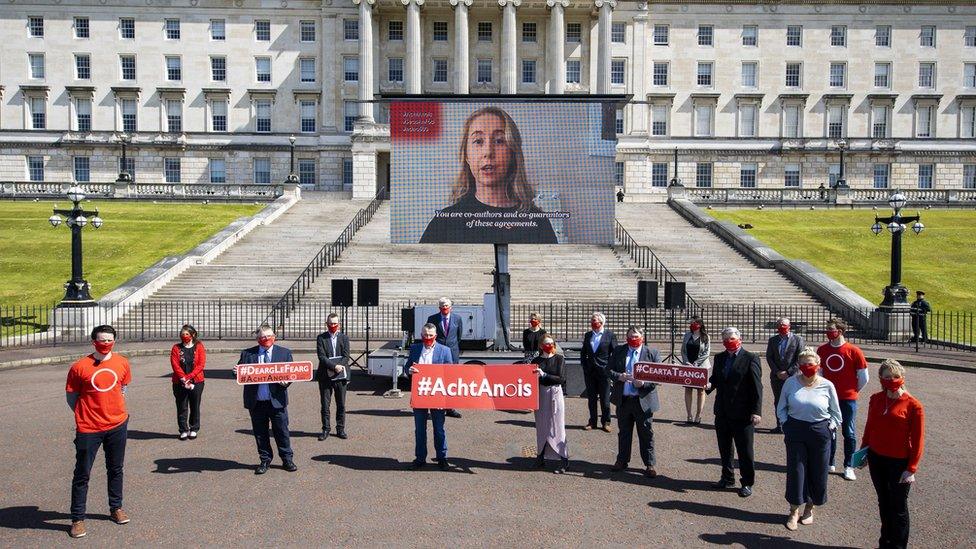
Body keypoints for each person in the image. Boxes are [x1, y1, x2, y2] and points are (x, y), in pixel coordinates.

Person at [419, 106, 558, 244]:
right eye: (478, 141)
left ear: (513, 153)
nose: (488, 152)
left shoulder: (538, 222)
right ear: (466, 156)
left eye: (499, 141)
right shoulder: (444, 223)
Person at [66, 325, 132, 538]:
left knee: (116, 468)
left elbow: (122, 388)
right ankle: (77, 519)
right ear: (93, 341)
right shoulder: (80, 367)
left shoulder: (122, 362)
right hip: (89, 427)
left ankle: (116, 508)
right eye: (101, 340)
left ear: (115, 340)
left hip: (117, 424)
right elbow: (72, 398)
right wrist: (88, 414)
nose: (105, 343)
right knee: (82, 473)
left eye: (109, 339)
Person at [860, 359, 925, 549]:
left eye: (896, 376)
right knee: (883, 502)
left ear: (902, 378)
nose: (892, 380)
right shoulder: (876, 398)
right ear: (881, 378)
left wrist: (911, 468)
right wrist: (864, 450)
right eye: (887, 377)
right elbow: (870, 427)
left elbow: (918, 439)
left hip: (899, 462)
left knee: (898, 508)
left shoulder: (914, 405)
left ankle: (898, 546)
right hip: (876, 457)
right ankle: (885, 541)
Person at [777, 347, 842, 530]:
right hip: (796, 429)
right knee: (796, 470)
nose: (807, 367)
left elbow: (836, 413)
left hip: (819, 431)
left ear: (818, 366)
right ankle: (793, 510)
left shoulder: (827, 385)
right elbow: (781, 406)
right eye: (803, 364)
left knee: (818, 470)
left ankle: (810, 508)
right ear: (799, 365)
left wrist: (830, 427)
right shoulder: (790, 383)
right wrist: (785, 423)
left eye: (810, 364)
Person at [705, 327, 762, 498]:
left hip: (743, 412)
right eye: (725, 338)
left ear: (739, 339)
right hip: (722, 410)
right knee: (725, 447)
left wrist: (756, 411)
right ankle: (727, 477)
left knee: (745, 450)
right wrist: (707, 386)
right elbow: (715, 379)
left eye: (731, 338)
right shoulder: (720, 357)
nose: (728, 341)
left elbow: (757, 387)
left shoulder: (751, 358)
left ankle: (747, 482)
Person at [237, 325, 296, 475]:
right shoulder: (247, 354)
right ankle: (265, 460)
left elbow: (292, 374)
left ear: (274, 336)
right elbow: (240, 371)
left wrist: (287, 382)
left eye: (269, 336)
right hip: (256, 402)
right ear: (258, 339)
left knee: (282, 431)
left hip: (277, 401)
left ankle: (287, 459)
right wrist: (235, 371)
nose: (266, 339)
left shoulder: (284, 353)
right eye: (263, 337)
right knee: (260, 433)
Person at [817, 318, 868, 481]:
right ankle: (829, 461)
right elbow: (820, 374)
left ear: (840, 331)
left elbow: (863, 377)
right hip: (829, 398)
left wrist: (852, 390)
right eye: (827, 329)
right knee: (829, 430)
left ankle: (848, 465)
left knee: (849, 432)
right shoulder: (822, 350)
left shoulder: (854, 351)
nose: (828, 332)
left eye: (831, 329)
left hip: (847, 398)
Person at [608, 327, 661, 478]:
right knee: (624, 432)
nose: (633, 339)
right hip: (624, 400)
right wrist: (619, 376)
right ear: (626, 337)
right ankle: (622, 460)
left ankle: (649, 464)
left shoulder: (652, 353)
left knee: (646, 433)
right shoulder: (619, 351)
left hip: (642, 400)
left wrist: (643, 383)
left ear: (642, 337)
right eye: (630, 336)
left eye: (636, 336)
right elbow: (608, 370)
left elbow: (658, 377)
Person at [404, 323, 454, 471]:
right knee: (419, 429)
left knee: (439, 428)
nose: (428, 338)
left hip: (437, 395)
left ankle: (442, 458)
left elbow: (450, 373)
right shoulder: (415, 349)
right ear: (421, 335)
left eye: (430, 336)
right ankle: (420, 458)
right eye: (425, 335)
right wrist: (410, 371)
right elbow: (407, 367)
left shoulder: (445, 351)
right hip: (420, 394)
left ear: (435, 336)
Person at [531, 335, 569, 474]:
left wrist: (544, 375)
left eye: (551, 343)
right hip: (541, 394)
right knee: (541, 426)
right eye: (546, 344)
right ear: (541, 346)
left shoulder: (559, 359)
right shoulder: (536, 360)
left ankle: (564, 459)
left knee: (557, 426)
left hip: (555, 394)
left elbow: (561, 378)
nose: (549, 346)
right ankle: (540, 457)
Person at [765, 317, 805, 434]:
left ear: (789, 326)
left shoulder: (798, 339)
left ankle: (793, 424)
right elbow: (769, 357)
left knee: (794, 400)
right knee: (778, 401)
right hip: (777, 376)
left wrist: (788, 372)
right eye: (780, 325)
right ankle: (780, 425)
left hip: (793, 376)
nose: (782, 327)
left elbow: (800, 358)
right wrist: (777, 371)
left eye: (784, 325)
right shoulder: (773, 340)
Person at [316, 313, 350, 441]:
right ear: (327, 324)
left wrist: (339, 367)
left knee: (341, 404)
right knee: (325, 405)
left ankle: (340, 428)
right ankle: (326, 429)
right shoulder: (321, 338)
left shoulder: (344, 338)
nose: (333, 326)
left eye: (335, 323)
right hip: (325, 376)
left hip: (341, 375)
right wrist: (333, 366)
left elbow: (346, 356)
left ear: (339, 324)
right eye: (330, 324)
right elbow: (321, 356)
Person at [426, 297, 463, 418]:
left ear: (450, 307)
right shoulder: (432, 319)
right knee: (436, 381)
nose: (445, 308)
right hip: (437, 352)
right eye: (442, 306)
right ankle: (434, 408)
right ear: (439, 308)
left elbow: (459, 336)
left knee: (451, 381)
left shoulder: (457, 318)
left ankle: (450, 408)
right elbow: (429, 336)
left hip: (452, 353)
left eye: (447, 306)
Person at [580, 312, 617, 432]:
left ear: (602, 322)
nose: (593, 322)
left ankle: (606, 422)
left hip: (604, 371)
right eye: (592, 320)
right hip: (590, 372)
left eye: (595, 320)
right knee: (591, 399)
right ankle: (592, 421)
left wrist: (610, 368)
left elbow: (615, 353)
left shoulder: (610, 335)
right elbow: (583, 352)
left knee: (605, 399)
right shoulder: (588, 335)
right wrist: (584, 365)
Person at [170, 324, 206, 441]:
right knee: (182, 406)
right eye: (182, 334)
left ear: (193, 335)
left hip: (197, 381)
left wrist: (189, 377)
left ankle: (194, 428)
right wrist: (183, 378)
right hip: (179, 382)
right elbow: (175, 364)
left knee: (195, 405)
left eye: (186, 334)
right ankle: (183, 429)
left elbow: (201, 364)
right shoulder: (176, 348)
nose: (184, 336)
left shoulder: (199, 346)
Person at [680, 316, 711, 424]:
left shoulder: (705, 336)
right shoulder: (687, 335)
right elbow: (683, 350)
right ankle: (689, 415)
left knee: (700, 391)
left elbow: (706, 353)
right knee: (688, 389)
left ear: (700, 324)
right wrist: (686, 362)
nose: (692, 324)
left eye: (694, 323)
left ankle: (698, 415)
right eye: (691, 323)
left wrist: (696, 363)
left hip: (701, 367)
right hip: (688, 366)